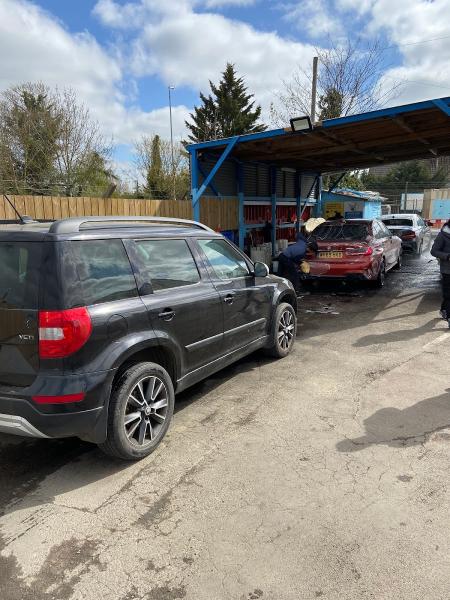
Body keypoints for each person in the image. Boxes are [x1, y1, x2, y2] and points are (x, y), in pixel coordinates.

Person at [430, 219, 450, 327]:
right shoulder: (443, 235)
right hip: (447, 270)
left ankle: (444, 309)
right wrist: (447, 256)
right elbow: (433, 251)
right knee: (448, 294)